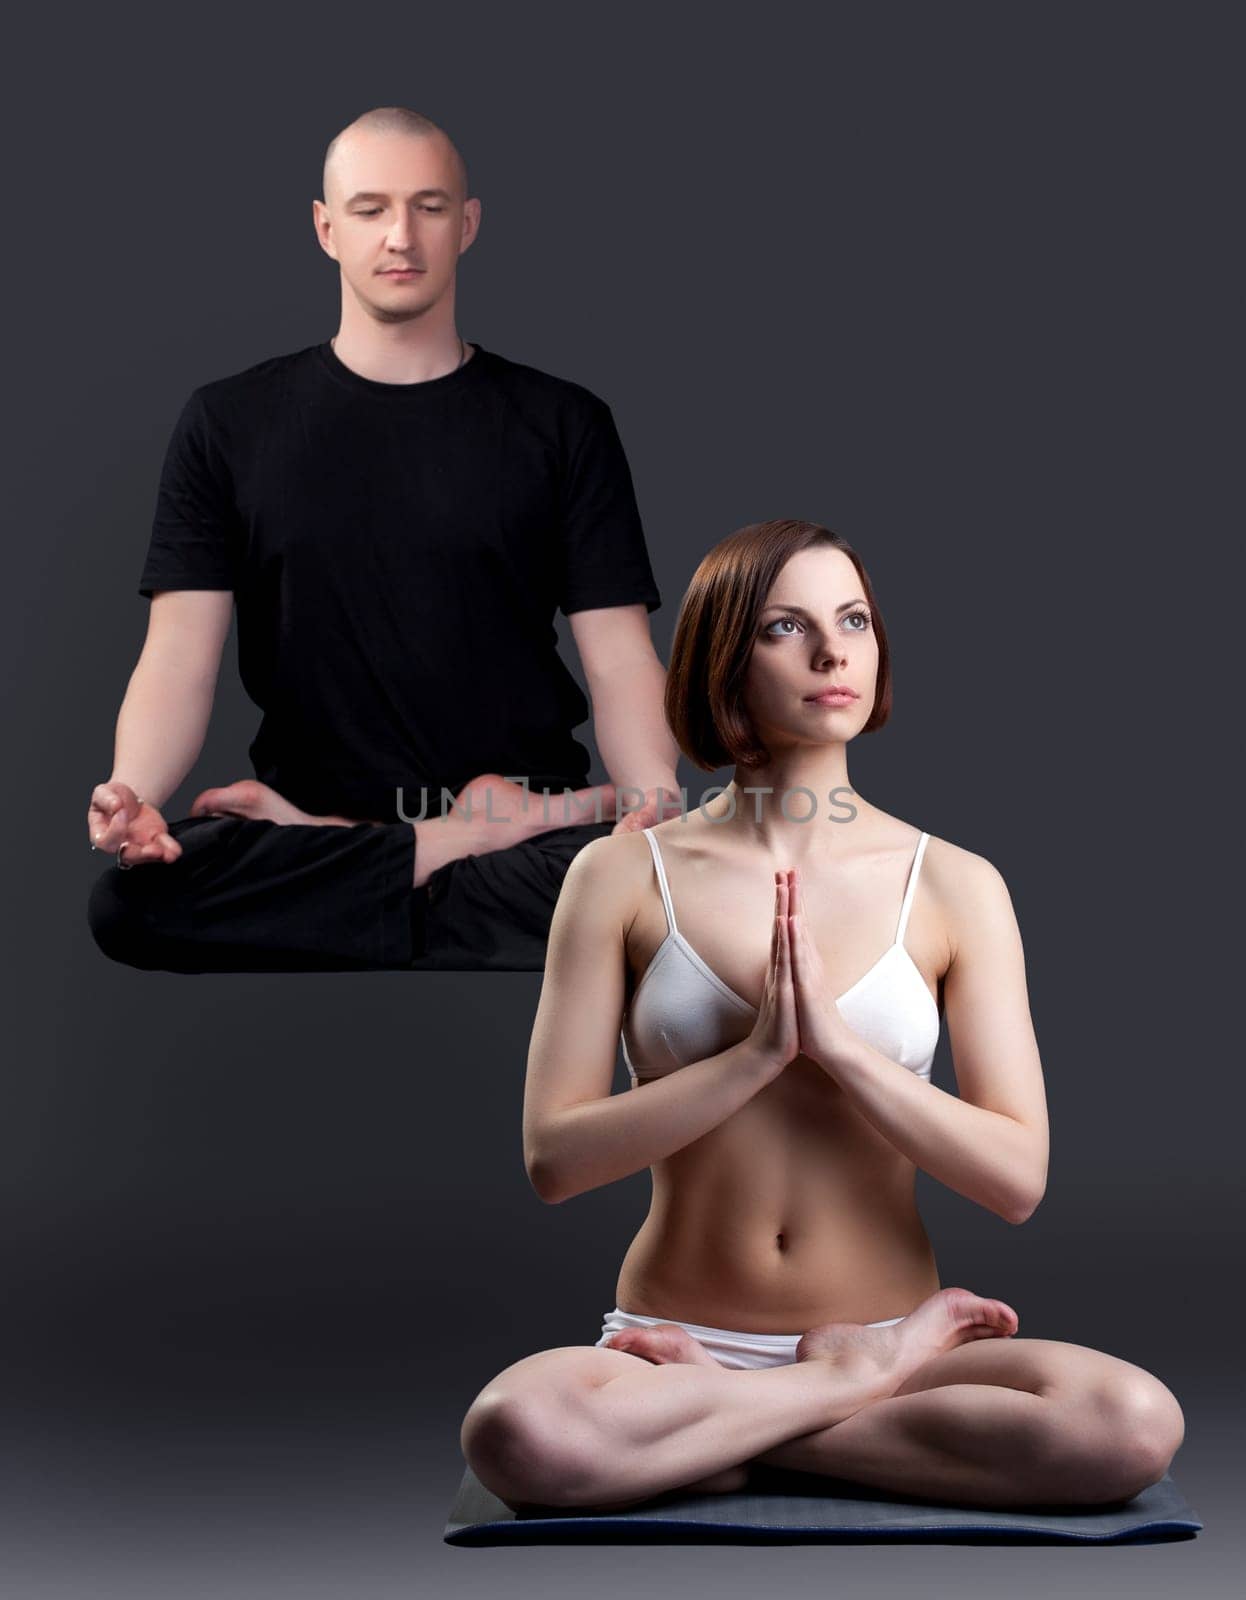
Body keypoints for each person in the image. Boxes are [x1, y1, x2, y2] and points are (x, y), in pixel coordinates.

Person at [458, 519, 1186, 1512]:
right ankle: (834, 1393)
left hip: (892, 1331)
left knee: (1127, 1423)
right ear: (723, 656)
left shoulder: (956, 885)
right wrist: (753, 1057)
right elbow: (555, 1159)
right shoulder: (621, 873)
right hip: (670, 1344)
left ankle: (739, 1424)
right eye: (784, 627)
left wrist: (842, 1052)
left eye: (852, 620)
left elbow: (1016, 1180)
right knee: (518, 1430)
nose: (831, 651)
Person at [85, 106, 679, 973]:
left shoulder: (564, 423)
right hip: (313, 817)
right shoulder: (228, 422)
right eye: (369, 209)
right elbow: (178, 656)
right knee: (135, 902)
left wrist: (652, 803)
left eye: (429, 207)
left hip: (518, 822)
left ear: (467, 224)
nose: (401, 235)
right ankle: (438, 850)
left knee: (661, 890)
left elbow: (622, 657)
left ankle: (402, 866)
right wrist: (134, 792)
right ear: (326, 228)